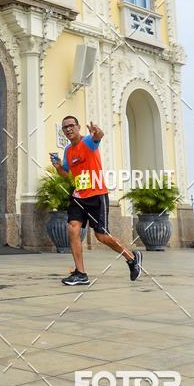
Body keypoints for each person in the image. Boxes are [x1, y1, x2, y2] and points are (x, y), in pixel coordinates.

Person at [50, 116, 142, 286]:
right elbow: (66, 174)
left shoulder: (88, 141)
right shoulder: (68, 150)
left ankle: (132, 258)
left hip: (97, 194)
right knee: (73, 228)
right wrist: (58, 167)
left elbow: (99, 136)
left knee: (102, 236)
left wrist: (97, 131)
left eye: (71, 126)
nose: (68, 129)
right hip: (79, 196)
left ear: (78, 127)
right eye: (65, 128)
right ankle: (81, 273)